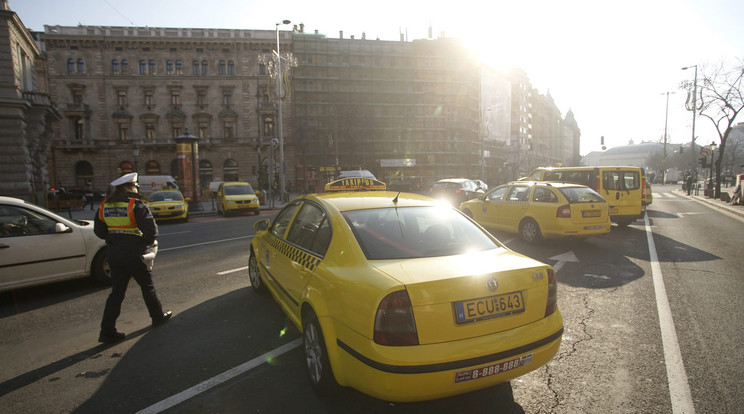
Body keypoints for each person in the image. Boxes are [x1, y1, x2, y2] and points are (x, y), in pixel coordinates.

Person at [94, 172, 171, 343]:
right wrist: (140, 242)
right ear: (130, 187)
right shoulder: (135, 205)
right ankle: (157, 316)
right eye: (135, 186)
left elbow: (99, 232)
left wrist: (115, 238)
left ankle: (107, 331)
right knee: (147, 286)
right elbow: (152, 232)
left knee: (117, 293)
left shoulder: (104, 205)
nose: (136, 188)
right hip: (135, 254)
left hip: (114, 255)